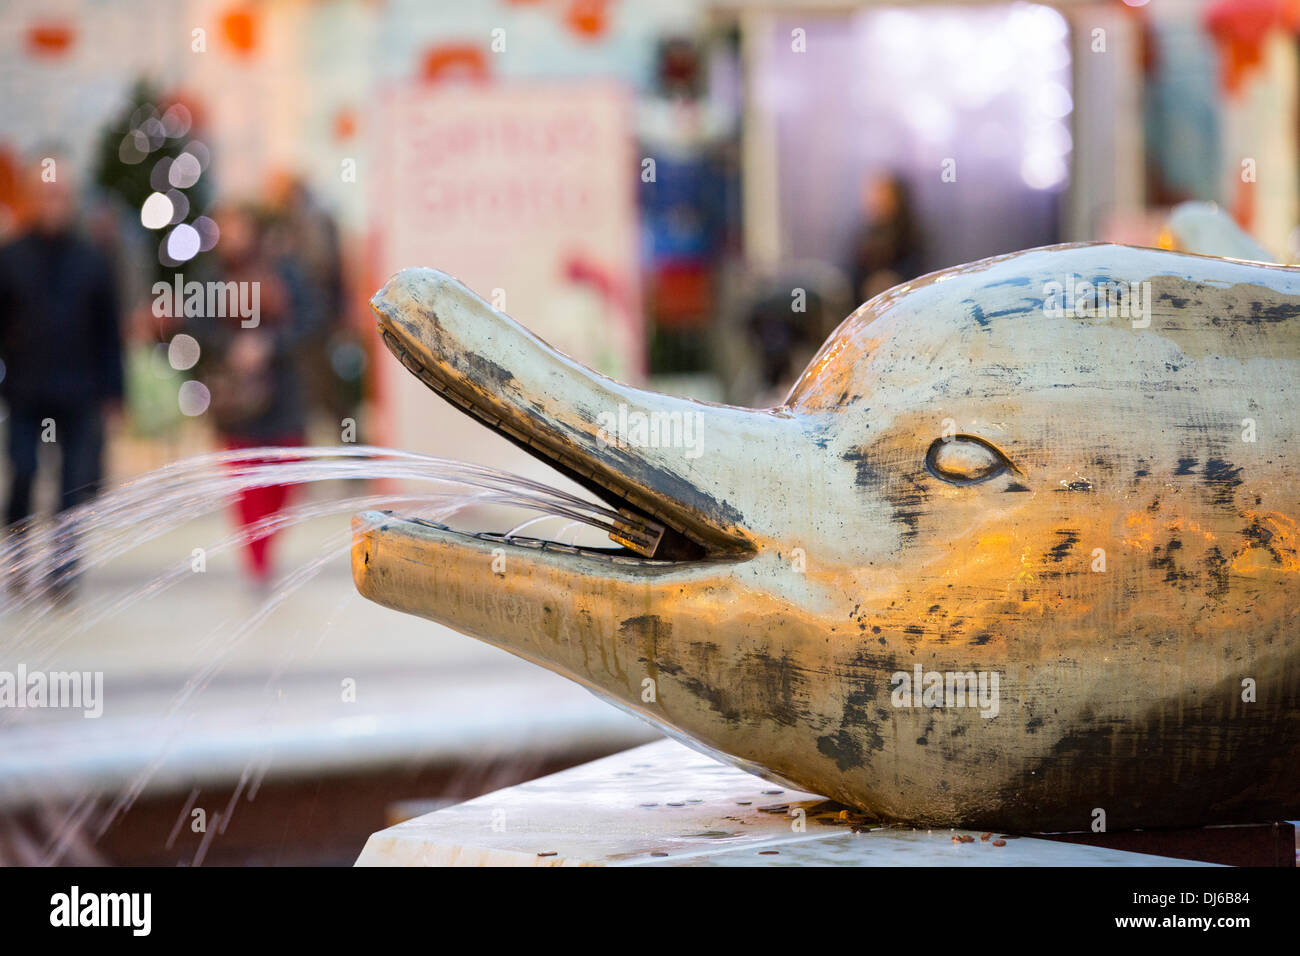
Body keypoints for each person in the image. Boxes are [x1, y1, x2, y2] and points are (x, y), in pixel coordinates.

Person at [0, 160, 123, 598]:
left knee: (75, 483)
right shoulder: (11, 257)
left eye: (60, 195)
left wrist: (114, 392)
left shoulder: (92, 260)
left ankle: (63, 567)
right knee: (24, 471)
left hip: (79, 391)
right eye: (45, 195)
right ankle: (17, 559)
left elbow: (109, 330)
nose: (53, 204)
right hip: (25, 390)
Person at [187, 204, 317, 587]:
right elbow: (196, 326)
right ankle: (257, 558)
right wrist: (233, 347)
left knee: (286, 476)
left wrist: (269, 345)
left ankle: (266, 541)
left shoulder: (286, 270)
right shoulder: (210, 277)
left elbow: (311, 319)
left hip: (283, 394)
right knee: (245, 482)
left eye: (239, 228)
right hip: (235, 399)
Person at [848, 172, 925, 304]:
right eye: (873, 195)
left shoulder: (911, 234)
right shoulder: (863, 234)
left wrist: (890, 282)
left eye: (882, 194)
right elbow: (851, 273)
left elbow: (918, 271)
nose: (876, 200)